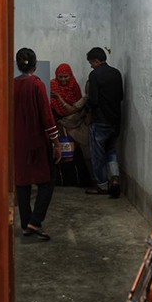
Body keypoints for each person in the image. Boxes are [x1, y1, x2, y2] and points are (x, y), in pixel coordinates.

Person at [13, 47, 62, 241]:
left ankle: (26, 225)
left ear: (17, 64)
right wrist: (56, 143)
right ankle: (36, 220)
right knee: (48, 182)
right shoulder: (37, 85)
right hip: (37, 144)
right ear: (35, 64)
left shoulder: (11, 85)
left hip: (17, 144)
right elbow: (47, 117)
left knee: (22, 183)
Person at [84, 47, 124, 198]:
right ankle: (114, 179)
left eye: (91, 63)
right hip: (115, 120)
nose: (91, 66)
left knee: (98, 154)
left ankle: (102, 185)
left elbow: (93, 100)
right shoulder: (116, 73)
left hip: (100, 121)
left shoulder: (95, 75)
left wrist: (89, 114)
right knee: (111, 150)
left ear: (96, 60)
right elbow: (120, 96)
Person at [50, 63, 93, 187]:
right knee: (61, 153)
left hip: (75, 125)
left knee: (75, 153)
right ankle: (63, 181)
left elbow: (77, 107)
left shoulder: (74, 86)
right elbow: (52, 106)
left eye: (66, 76)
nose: (63, 79)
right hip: (59, 125)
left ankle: (78, 181)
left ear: (71, 75)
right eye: (61, 77)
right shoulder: (53, 85)